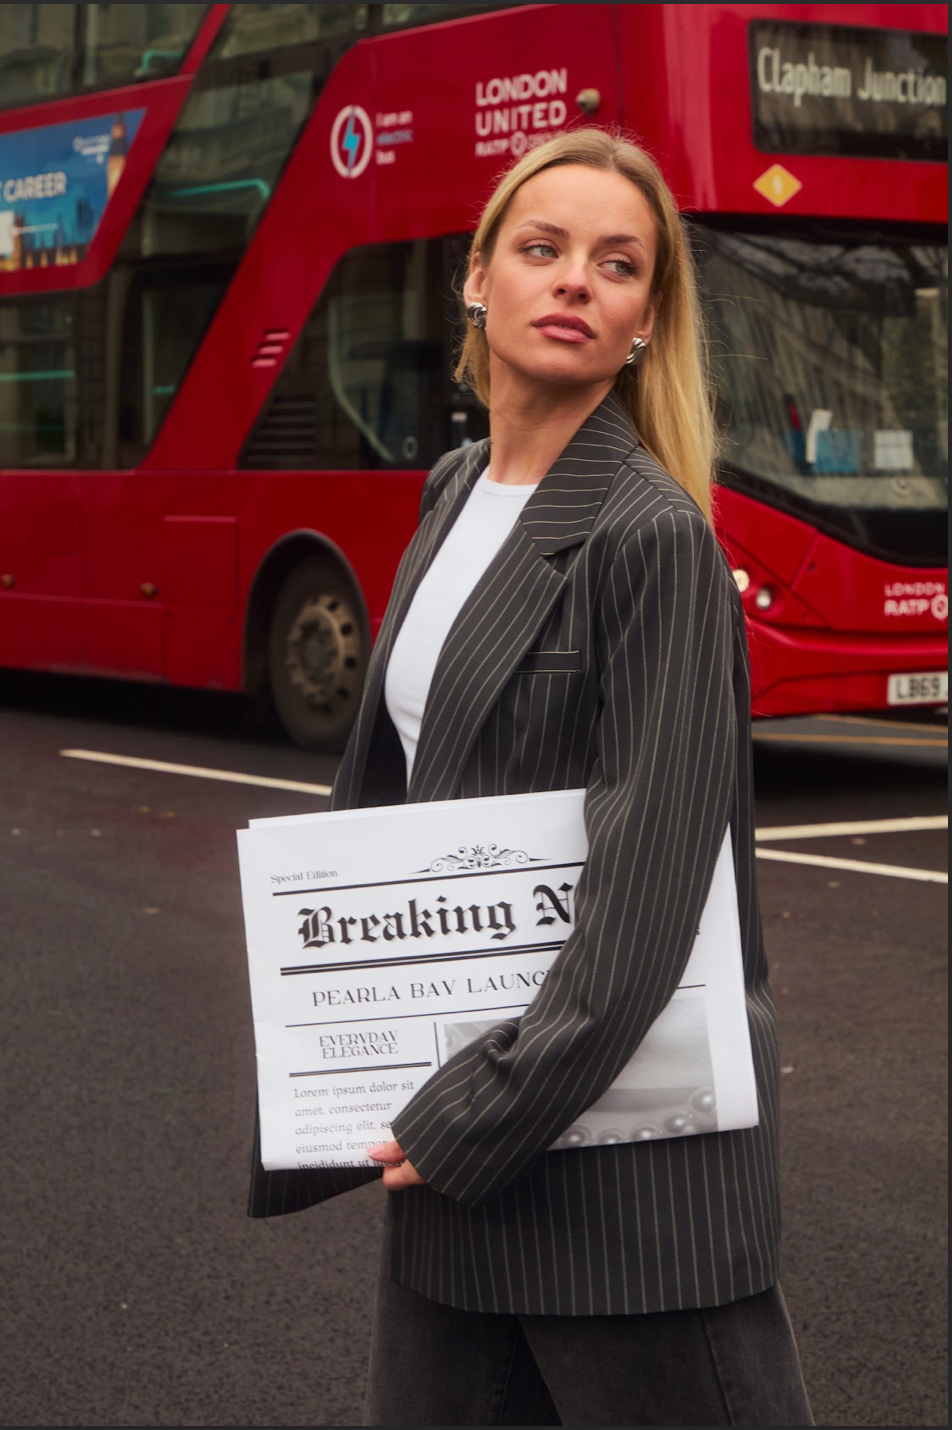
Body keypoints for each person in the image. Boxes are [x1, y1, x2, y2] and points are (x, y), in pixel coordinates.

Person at [249, 127, 813, 1426]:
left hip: (620, 1173)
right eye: (543, 247)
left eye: (618, 264)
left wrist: (471, 1112)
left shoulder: (652, 536)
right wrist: (329, 1035)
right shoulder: (454, 490)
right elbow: (396, 808)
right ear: (476, 277)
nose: (575, 281)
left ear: (646, 319)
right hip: (455, 1144)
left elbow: (646, 908)